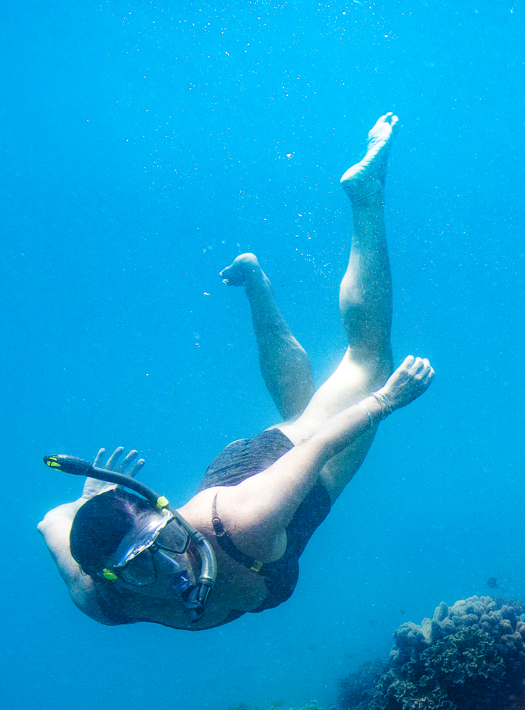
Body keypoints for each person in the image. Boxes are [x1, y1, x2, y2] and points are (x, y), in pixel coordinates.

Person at [38, 113, 434, 629]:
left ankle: (364, 195)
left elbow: (315, 450)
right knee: (302, 413)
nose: (173, 569)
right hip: (242, 487)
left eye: (170, 541)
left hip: (246, 498)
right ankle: (256, 286)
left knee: (366, 360)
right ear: (107, 578)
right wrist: (88, 500)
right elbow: (51, 522)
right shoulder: (104, 603)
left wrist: (384, 400)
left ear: (169, 515)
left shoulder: (250, 521)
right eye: (139, 569)